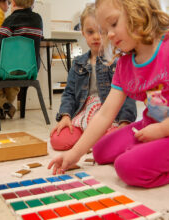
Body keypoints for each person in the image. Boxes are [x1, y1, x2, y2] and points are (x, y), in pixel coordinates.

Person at [48, 0, 169, 188]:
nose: (109, 34)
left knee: (127, 168)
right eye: (105, 30)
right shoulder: (124, 63)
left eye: (113, 24)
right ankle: (153, 152)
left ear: (139, 9)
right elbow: (105, 113)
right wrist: (74, 154)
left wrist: (162, 130)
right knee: (100, 151)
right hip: (152, 126)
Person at [50, 3, 136, 151]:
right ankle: (91, 138)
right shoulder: (78, 63)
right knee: (58, 140)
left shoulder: (118, 62)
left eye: (101, 31)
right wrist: (65, 116)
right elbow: (69, 94)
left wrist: (124, 122)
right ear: (82, 32)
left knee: (113, 140)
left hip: (108, 114)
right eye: (90, 32)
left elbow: (128, 95)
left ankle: (96, 139)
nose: (96, 37)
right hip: (84, 112)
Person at [0, 0, 43, 119]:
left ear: (14, 3)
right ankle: (5, 108)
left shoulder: (10, 20)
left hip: (10, 68)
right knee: (14, 81)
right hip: (31, 69)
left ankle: (4, 105)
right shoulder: (38, 19)